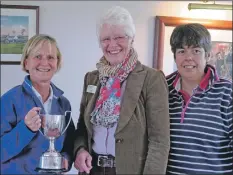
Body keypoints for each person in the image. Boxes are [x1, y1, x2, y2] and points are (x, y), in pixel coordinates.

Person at [73, 6, 170, 175]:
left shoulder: (151, 78)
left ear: (131, 38)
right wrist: (80, 149)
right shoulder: (92, 78)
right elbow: (82, 126)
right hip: (93, 170)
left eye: (119, 37)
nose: (112, 45)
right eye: (105, 39)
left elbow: (159, 141)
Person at [0, 34, 75, 174]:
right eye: (38, 57)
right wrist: (25, 129)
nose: (45, 63)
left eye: (51, 57)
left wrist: (66, 159)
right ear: (26, 62)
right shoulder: (8, 101)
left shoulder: (64, 104)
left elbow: (70, 144)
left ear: (57, 63)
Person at [166, 23, 233, 174]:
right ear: (175, 56)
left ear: (208, 55)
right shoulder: (161, 89)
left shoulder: (227, 93)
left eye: (196, 51)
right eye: (182, 51)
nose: (188, 58)